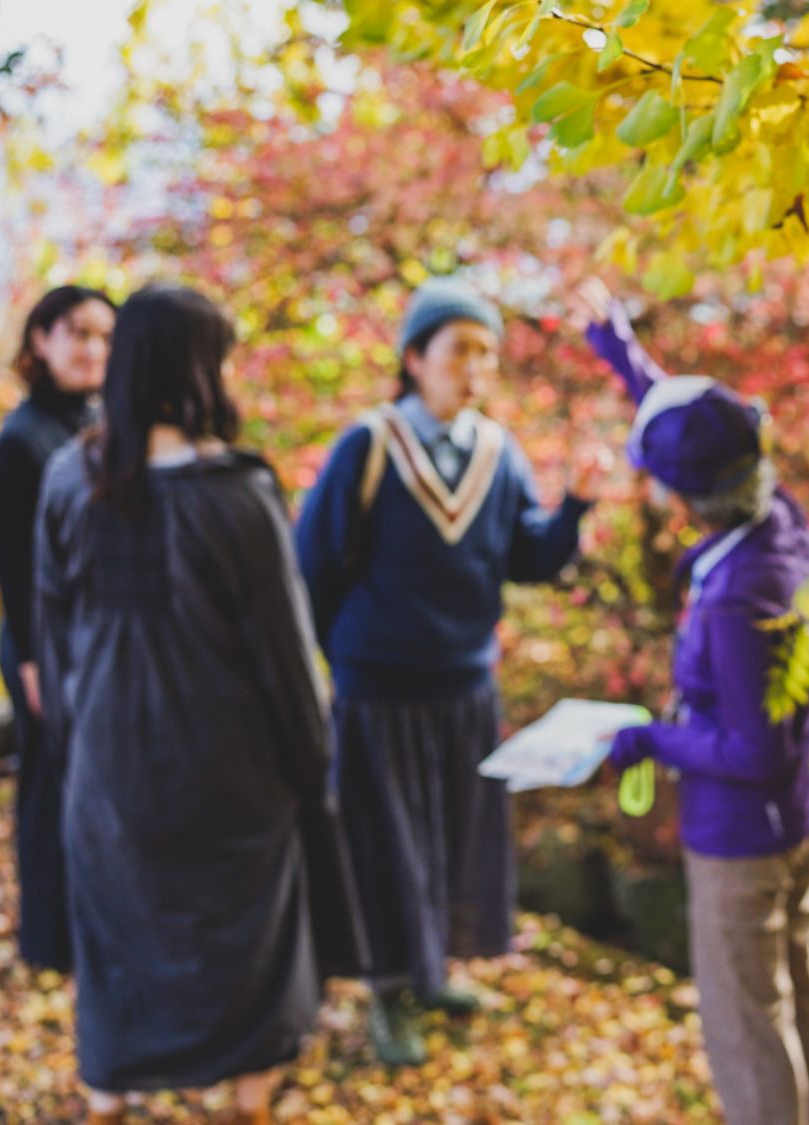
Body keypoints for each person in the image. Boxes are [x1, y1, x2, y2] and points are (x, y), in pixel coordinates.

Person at [34, 284, 332, 1125]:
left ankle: (111, 1093)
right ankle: (245, 1099)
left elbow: (52, 630)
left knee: (118, 927)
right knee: (244, 938)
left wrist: (76, 739)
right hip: (228, 768)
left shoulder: (71, 477)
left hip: (107, 760)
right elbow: (285, 653)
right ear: (201, 370)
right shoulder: (236, 494)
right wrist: (311, 761)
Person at [293, 276, 604, 1066]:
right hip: (378, 688)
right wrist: (339, 661)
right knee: (383, 842)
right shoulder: (367, 446)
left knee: (446, 839)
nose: (475, 366)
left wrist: (573, 508)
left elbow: (526, 557)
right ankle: (387, 989)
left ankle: (433, 976)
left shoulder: (497, 453)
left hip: (465, 684)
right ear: (414, 357)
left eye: (487, 353)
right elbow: (312, 567)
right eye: (459, 348)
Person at [571, 279, 809, 1125]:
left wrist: (650, 739)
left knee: (746, 1027)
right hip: (798, 818)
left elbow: (751, 750)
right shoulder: (776, 520)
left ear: (679, 495)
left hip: (740, 838)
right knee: (799, 991)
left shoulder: (733, 596)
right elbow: (696, 425)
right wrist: (620, 348)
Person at [0, 284, 114, 975]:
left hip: (91, 636)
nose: (93, 348)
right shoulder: (24, 436)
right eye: (78, 333)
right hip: (41, 643)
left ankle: (86, 918)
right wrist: (34, 662)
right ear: (42, 339)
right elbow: (13, 556)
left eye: (104, 336)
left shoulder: (100, 419)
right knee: (47, 781)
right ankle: (48, 936)